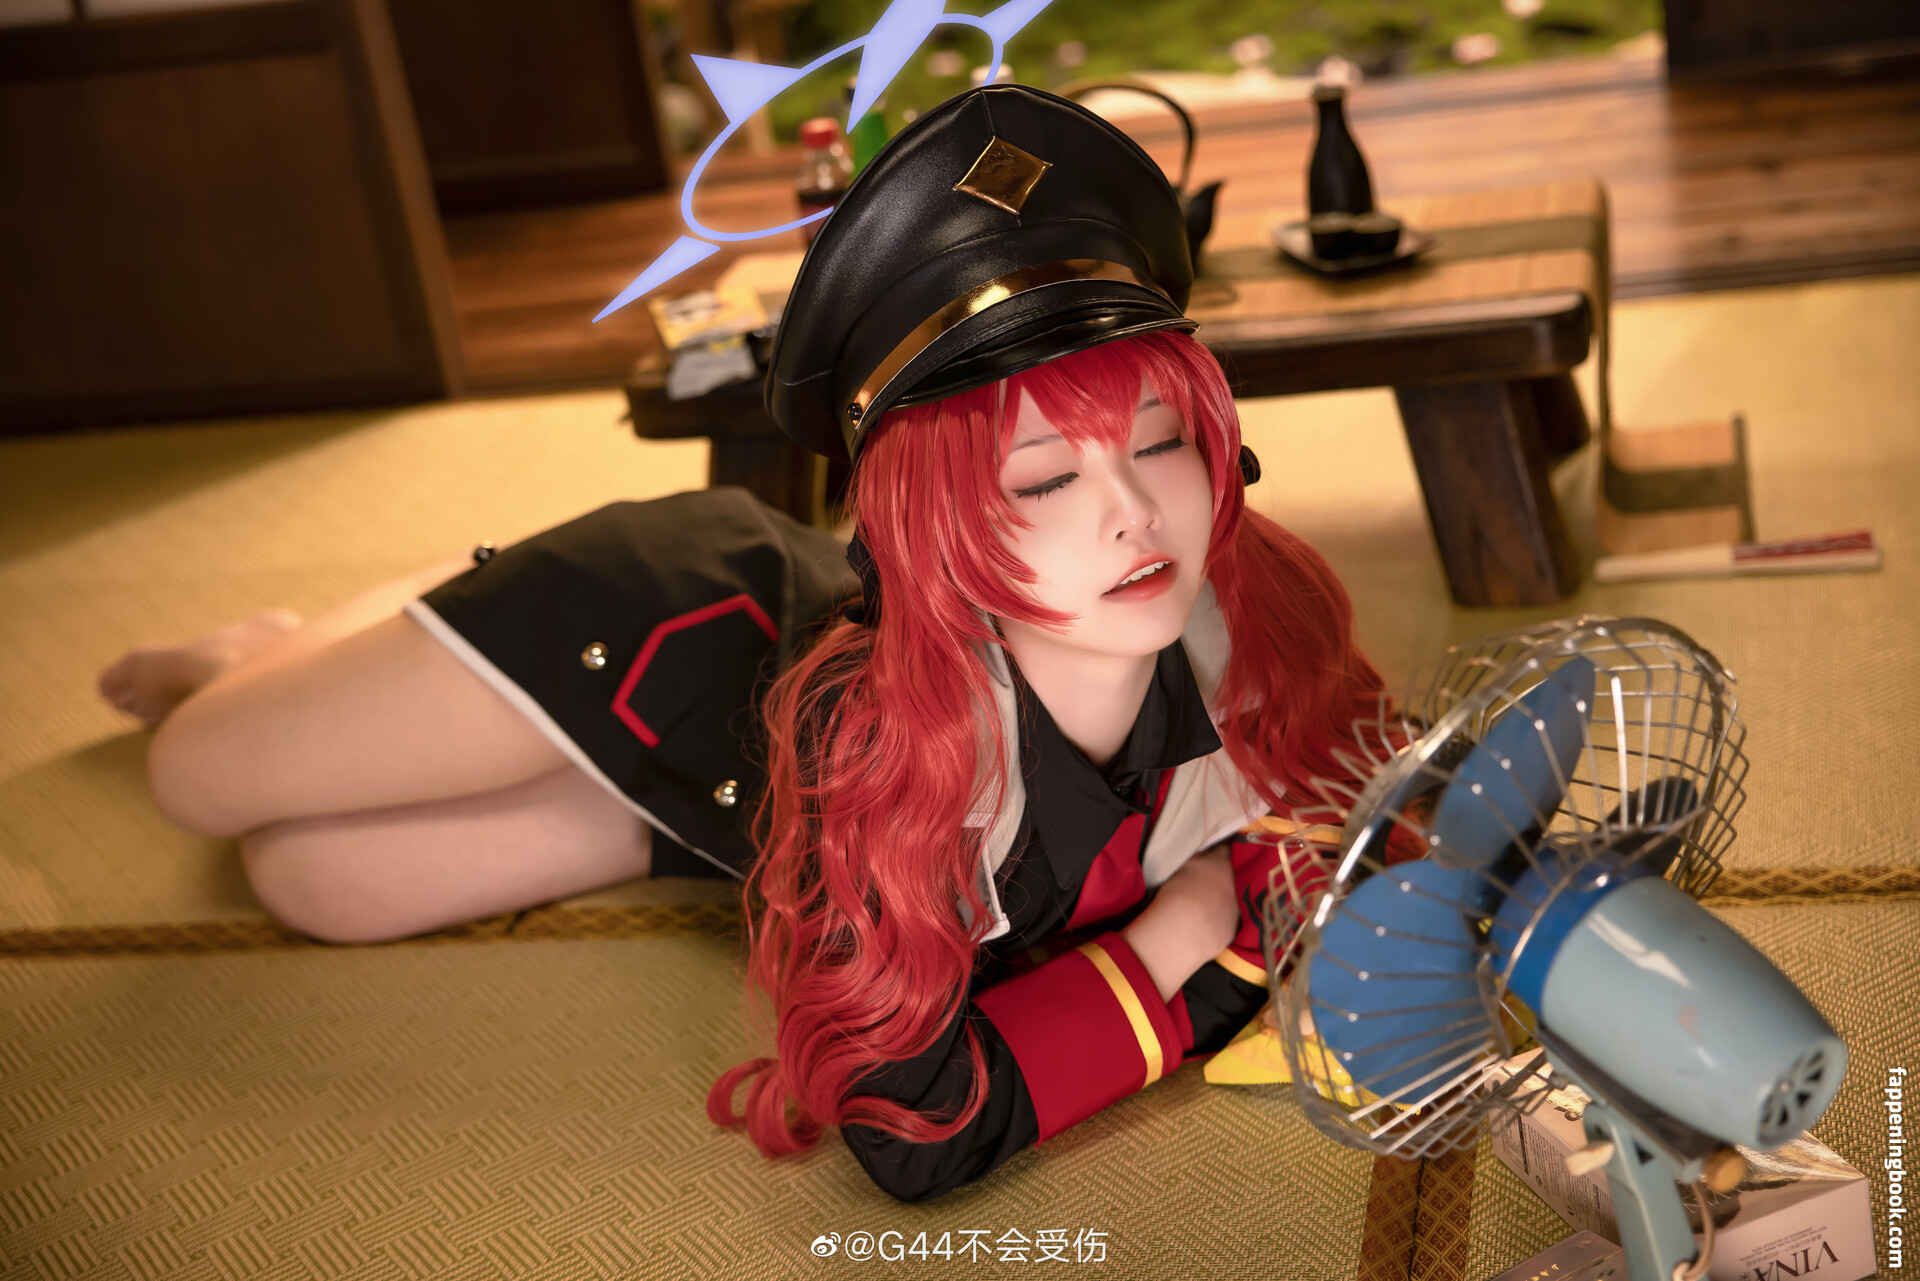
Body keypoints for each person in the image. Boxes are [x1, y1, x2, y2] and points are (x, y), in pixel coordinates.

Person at [98, 85, 1384, 1202]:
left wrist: (1195, 922)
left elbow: (1350, 840)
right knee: (193, 774)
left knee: (310, 886)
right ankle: (387, 611)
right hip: (648, 621)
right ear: (928, 526)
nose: (1133, 514)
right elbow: (920, 1129)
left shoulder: (1251, 616)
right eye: (1043, 477)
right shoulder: (875, 729)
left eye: (1162, 442)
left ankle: (565, 758)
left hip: (721, 793)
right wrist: (1184, 928)